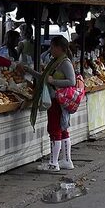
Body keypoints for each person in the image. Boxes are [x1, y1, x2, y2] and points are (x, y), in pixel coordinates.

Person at [28, 36, 77, 172]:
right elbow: (44, 77)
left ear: (59, 48)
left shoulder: (65, 63)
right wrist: (29, 71)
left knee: (55, 129)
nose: (51, 50)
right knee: (62, 128)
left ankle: (53, 163)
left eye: (53, 47)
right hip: (56, 99)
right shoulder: (55, 62)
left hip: (58, 100)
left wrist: (53, 81)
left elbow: (72, 82)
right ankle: (66, 160)